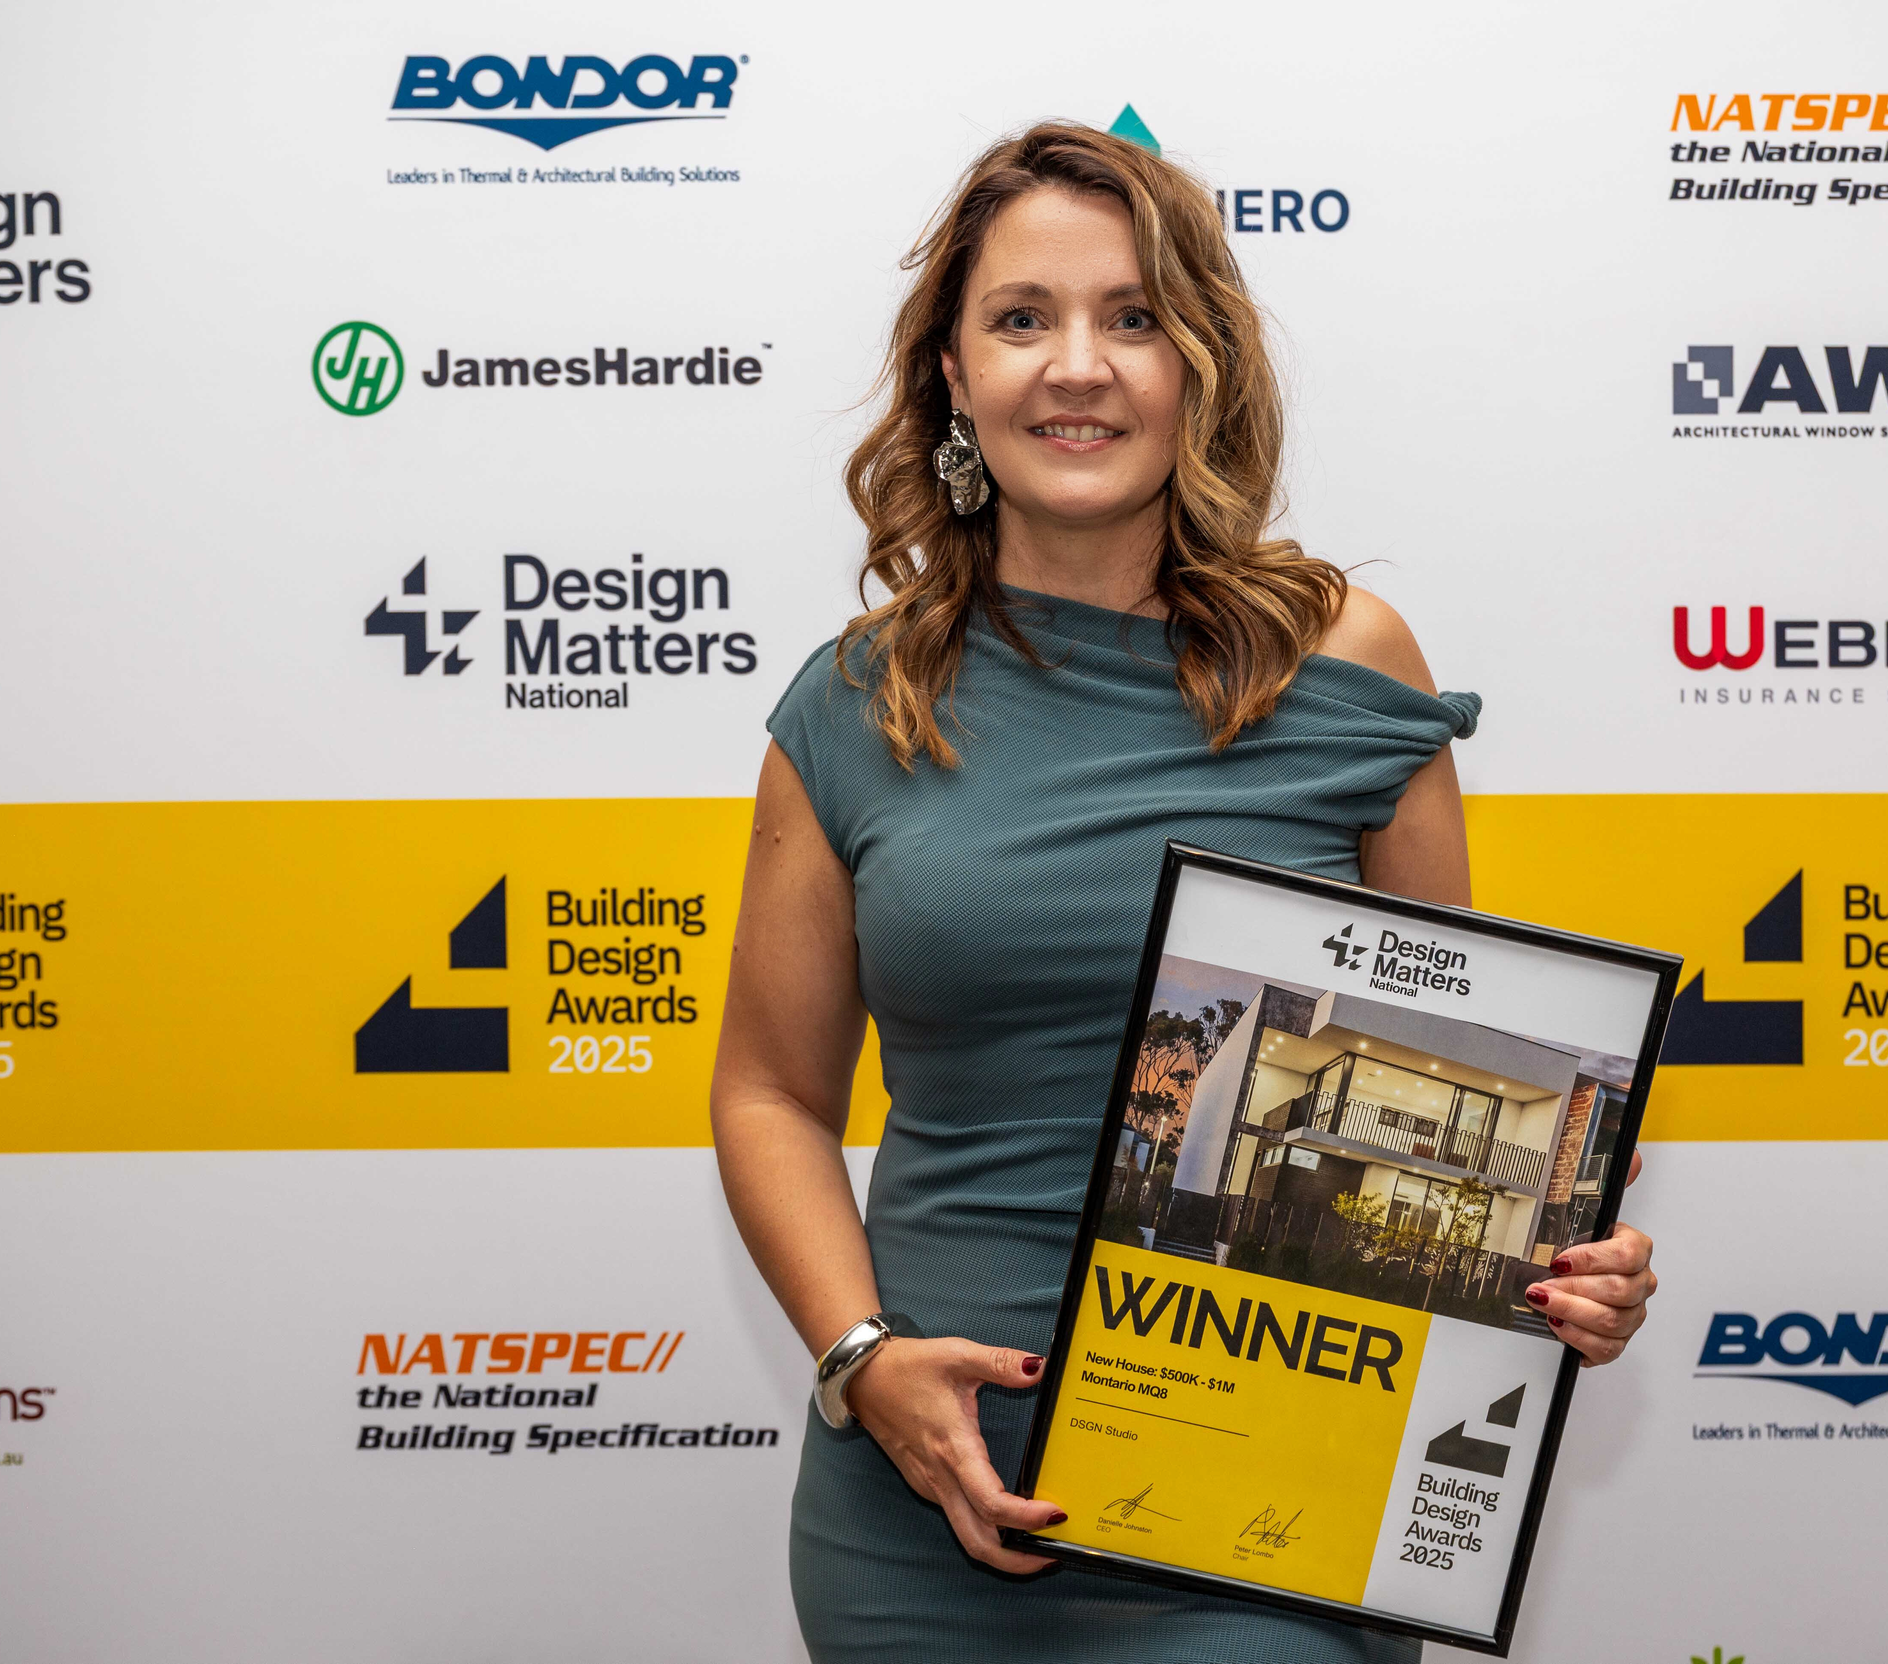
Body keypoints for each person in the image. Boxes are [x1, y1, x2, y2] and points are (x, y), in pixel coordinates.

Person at [710, 122, 1657, 1663]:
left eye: (1133, 317)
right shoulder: (858, 704)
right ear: (954, 373)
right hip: (922, 1508)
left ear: (1200, 360)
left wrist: (1560, 1260)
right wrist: (858, 1356)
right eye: (1022, 319)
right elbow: (766, 1094)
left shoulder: (1349, 667)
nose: (1076, 366)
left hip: (1269, 1525)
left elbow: (1477, 1082)